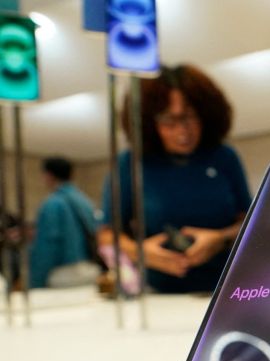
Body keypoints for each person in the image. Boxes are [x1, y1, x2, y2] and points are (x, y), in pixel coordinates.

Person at [98, 64, 251, 293]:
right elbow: (107, 235)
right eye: (169, 121)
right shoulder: (130, 164)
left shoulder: (224, 157)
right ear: (149, 122)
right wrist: (139, 251)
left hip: (229, 288)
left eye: (190, 117)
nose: (182, 131)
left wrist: (221, 238)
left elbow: (250, 223)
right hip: (160, 293)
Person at [29, 157, 99, 288]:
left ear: (48, 175)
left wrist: (35, 282)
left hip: (63, 275)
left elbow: (47, 247)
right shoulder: (85, 201)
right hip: (90, 270)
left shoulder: (52, 204)